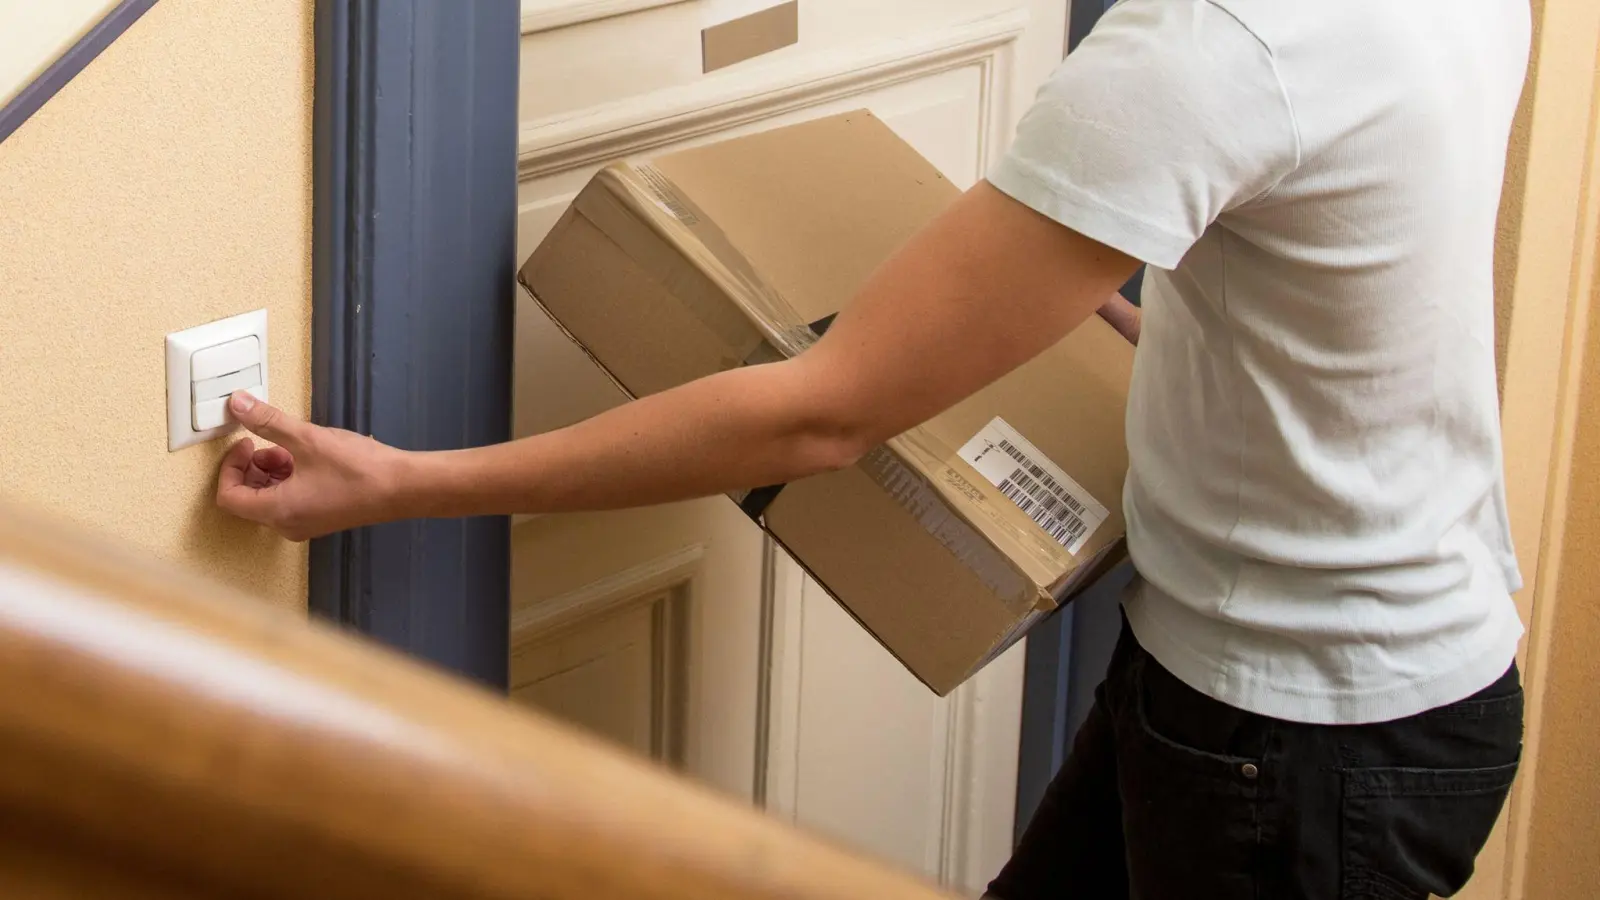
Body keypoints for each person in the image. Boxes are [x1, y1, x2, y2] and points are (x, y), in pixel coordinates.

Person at [217, 1, 1532, 896]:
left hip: (1298, 738)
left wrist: (401, 482)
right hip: (1370, 677)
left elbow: (818, 416)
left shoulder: (1218, 50)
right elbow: (1317, 263)